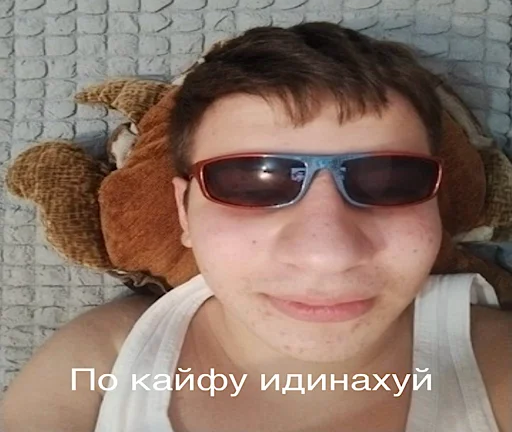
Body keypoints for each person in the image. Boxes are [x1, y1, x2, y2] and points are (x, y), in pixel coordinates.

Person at [2, 22, 511, 432]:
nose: (327, 253)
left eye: (389, 181)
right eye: (251, 183)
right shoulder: (104, 361)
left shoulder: (497, 362)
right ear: (184, 213)